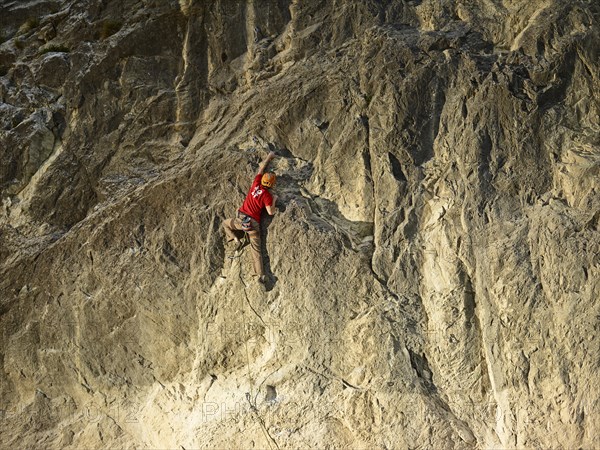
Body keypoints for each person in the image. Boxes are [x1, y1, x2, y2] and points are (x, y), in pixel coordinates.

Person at [223, 151, 278, 283]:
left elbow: (261, 168)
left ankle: (236, 239)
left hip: (241, 220)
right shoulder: (267, 195)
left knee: (225, 223)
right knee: (256, 251)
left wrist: (269, 157)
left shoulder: (256, 183)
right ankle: (260, 276)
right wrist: (274, 199)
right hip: (253, 225)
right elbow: (270, 212)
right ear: (272, 185)